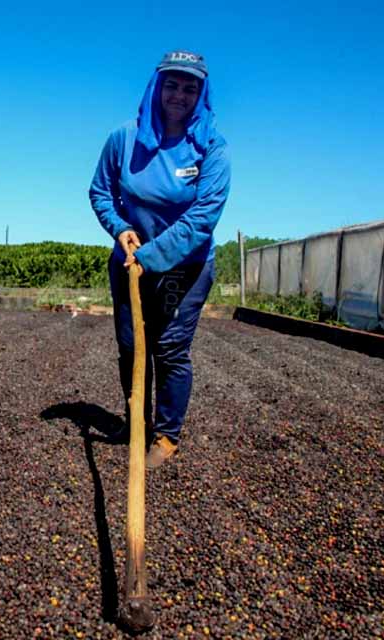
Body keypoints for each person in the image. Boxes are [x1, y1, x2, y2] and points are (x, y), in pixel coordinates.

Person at [89, 49, 230, 468]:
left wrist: (152, 256)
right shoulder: (124, 139)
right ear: (157, 86)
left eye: (190, 88)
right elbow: (100, 192)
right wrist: (119, 228)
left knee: (168, 348)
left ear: (201, 94)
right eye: (172, 84)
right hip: (131, 264)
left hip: (184, 269)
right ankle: (135, 422)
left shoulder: (211, 149)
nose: (179, 95)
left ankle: (167, 435)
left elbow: (203, 218)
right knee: (132, 347)